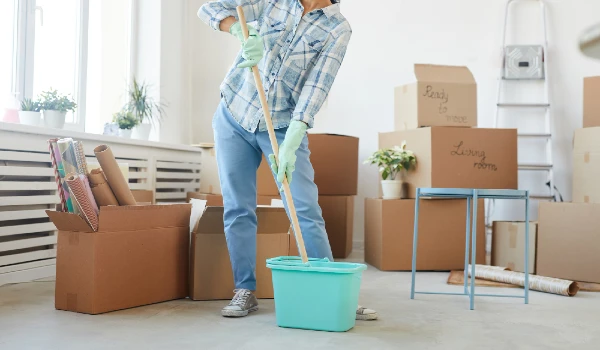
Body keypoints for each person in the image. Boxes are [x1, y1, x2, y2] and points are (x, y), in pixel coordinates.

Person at [198, 0, 377, 321]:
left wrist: (296, 132)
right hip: (234, 111)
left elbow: (317, 85)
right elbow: (210, 8)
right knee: (238, 206)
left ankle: (331, 291)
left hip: (281, 125)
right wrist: (238, 30)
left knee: (305, 208)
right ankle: (245, 290)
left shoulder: (337, 28)